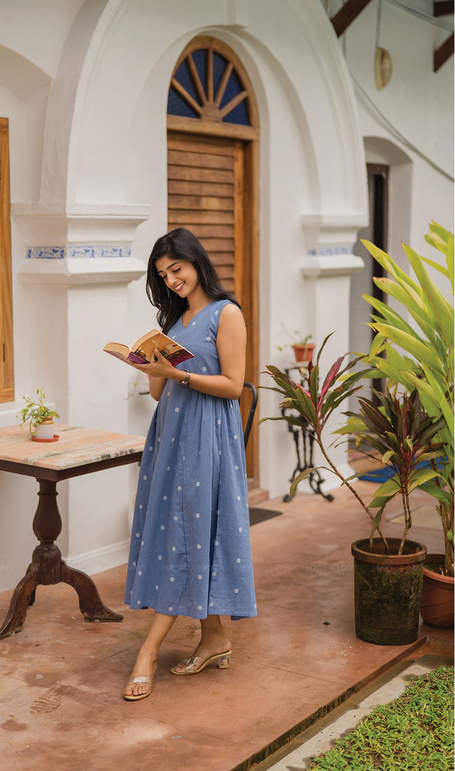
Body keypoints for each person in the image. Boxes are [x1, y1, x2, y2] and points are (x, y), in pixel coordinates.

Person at [123, 227, 257, 701]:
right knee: (186, 529)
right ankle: (214, 637)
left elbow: (234, 385)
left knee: (187, 532)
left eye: (176, 269)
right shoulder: (175, 320)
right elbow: (161, 391)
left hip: (207, 436)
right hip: (172, 434)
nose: (172, 279)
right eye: (163, 275)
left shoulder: (227, 313)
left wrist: (177, 371)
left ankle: (149, 651)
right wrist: (151, 369)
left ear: (196, 261)